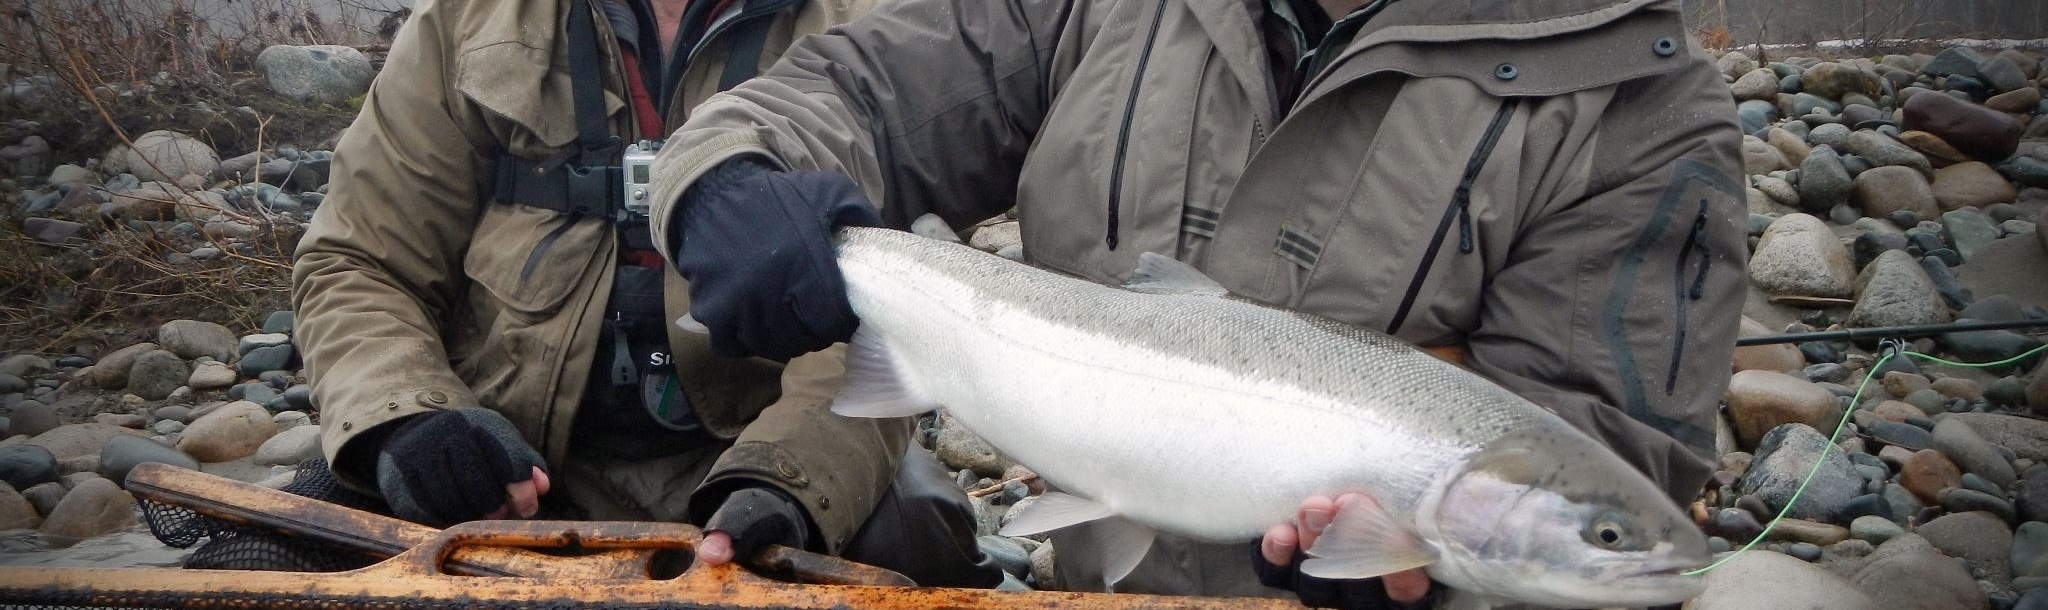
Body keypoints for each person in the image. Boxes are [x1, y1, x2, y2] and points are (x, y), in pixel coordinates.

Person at [642, 0, 1746, 607]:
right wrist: (731, 175)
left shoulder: (1635, 97)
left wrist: (1443, 599)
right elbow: (852, 91)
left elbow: (1612, 448)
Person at [286, 0, 1001, 588]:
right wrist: (411, 418)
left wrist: (788, 481)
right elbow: (358, 260)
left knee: (914, 532)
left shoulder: (873, 33)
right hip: (508, 449)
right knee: (333, 507)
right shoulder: (464, 20)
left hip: (745, 455)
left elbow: (895, 322)